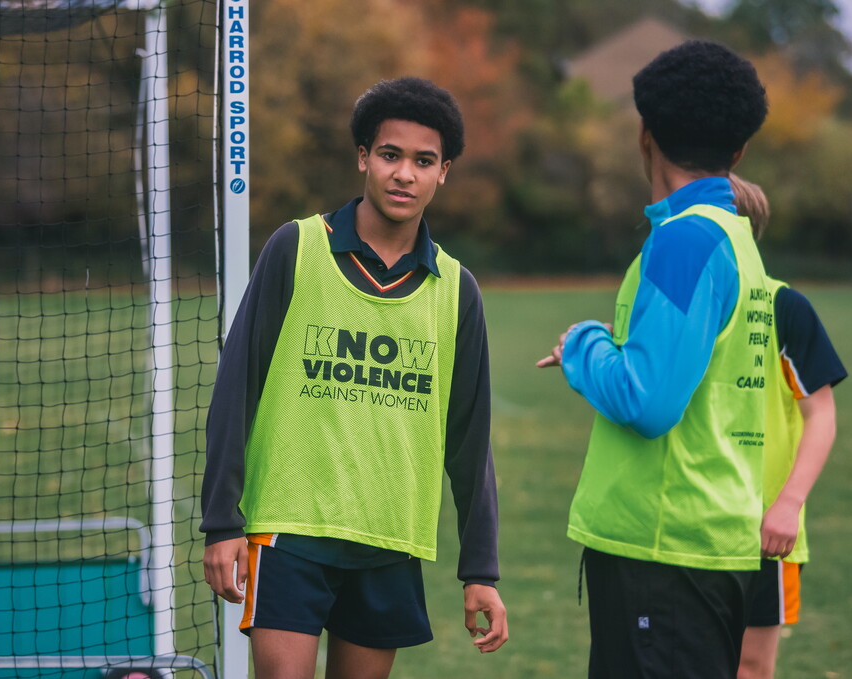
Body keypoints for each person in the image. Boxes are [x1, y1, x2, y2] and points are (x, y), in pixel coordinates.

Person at [200, 76, 507, 679]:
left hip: (389, 540)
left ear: (444, 171)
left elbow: (471, 441)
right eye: (391, 155)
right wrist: (222, 523)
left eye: (424, 161)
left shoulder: (457, 291)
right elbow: (236, 389)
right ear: (364, 157)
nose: (405, 175)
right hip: (289, 532)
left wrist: (481, 572)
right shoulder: (296, 248)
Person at [538, 41, 773, 678]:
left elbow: (648, 399)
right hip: (706, 544)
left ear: (645, 133)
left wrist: (583, 342)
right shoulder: (736, 239)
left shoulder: (685, 239)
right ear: (739, 149)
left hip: (662, 550)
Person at [729, 175, 847, 679]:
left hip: (763, 533)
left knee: (751, 667)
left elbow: (821, 413)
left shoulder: (783, 307)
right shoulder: (674, 308)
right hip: (688, 523)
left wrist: (788, 504)